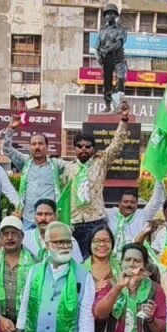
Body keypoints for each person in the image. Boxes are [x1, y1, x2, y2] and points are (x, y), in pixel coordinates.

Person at [65, 103, 130, 258]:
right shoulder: (67, 168)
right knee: (77, 261)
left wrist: (124, 119)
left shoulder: (100, 162)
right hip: (74, 223)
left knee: (98, 259)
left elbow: (116, 145)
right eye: (80, 146)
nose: (84, 149)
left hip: (96, 220)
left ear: (92, 149)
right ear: (75, 148)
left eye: (87, 147)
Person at [3, 114, 66, 228]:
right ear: (30, 147)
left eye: (41, 144)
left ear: (47, 147)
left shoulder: (56, 164)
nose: (37, 147)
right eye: (34, 144)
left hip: (49, 220)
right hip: (29, 219)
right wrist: (10, 129)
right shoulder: (25, 162)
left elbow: (74, 167)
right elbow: (7, 149)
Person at [106, 184, 165, 255]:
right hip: (111, 257)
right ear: (119, 203)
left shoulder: (143, 215)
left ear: (137, 204)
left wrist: (159, 180)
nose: (129, 205)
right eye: (125, 202)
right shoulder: (109, 214)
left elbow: (156, 202)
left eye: (132, 202)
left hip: (135, 256)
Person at [96, 3, 128, 111]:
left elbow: (119, 43)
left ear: (116, 16)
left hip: (118, 58)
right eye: (107, 14)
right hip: (107, 59)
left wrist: (107, 50)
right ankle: (107, 105)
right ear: (105, 16)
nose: (109, 16)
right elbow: (97, 46)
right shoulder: (102, 31)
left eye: (112, 13)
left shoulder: (121, 29)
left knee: (120, 78)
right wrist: (98, 56)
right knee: (107, 83)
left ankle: (120, 103)